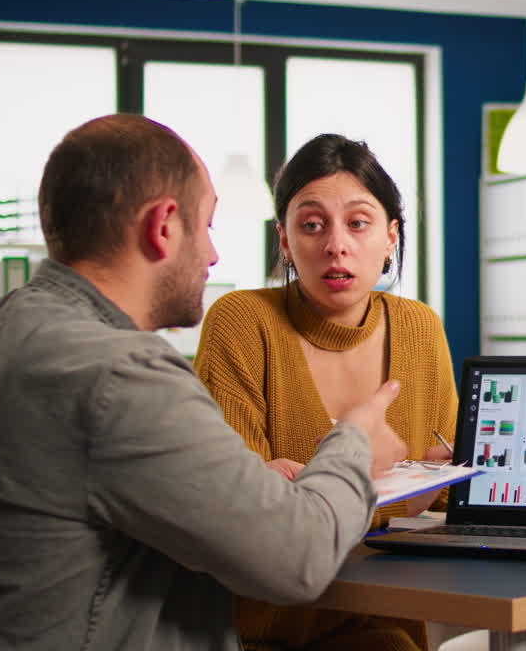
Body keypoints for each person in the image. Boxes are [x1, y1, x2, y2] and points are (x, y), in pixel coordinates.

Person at [0, 114, 407, 650]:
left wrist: (244, 482)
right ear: (162, 226)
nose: (213, 255)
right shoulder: (121, 374)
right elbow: (298, 558)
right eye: (207, 225)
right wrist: (354, 443)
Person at [193, 134, 458, 651]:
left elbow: (447, 489)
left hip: (390, 620)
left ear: (391, 238)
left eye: (358, 223)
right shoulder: (242, 322)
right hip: (270, 633)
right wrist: (401, 502)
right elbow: (254, 522)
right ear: (285, 241)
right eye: (312, 225)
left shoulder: (421, 327)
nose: (336, 244)